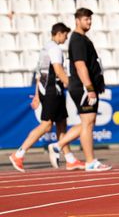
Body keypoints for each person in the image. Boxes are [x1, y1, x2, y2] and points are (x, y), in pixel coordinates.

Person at [9, 23, 85, 172]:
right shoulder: (55, 49)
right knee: (46, 125)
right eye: (65, 35)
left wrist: (37, 95)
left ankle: (70, 159)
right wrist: (70, 84)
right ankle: (19, 154)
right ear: (59, 33)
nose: (66, 38)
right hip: (52, 90)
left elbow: (40, 74)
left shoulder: (45, 48)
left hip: (46, 89)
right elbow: (57, 70)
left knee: (62, 123)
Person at [48, 8, 111, 172]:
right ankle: (90, 161)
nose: (89, 22)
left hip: (84, 86)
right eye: (85, 19)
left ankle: (58, 145)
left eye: (90, 19)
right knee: (88, 124)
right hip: (83, 87)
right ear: (77, 20)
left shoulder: (83, 39)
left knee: (87, 123)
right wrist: (89, 88)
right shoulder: (77, 40)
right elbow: (80, 65)